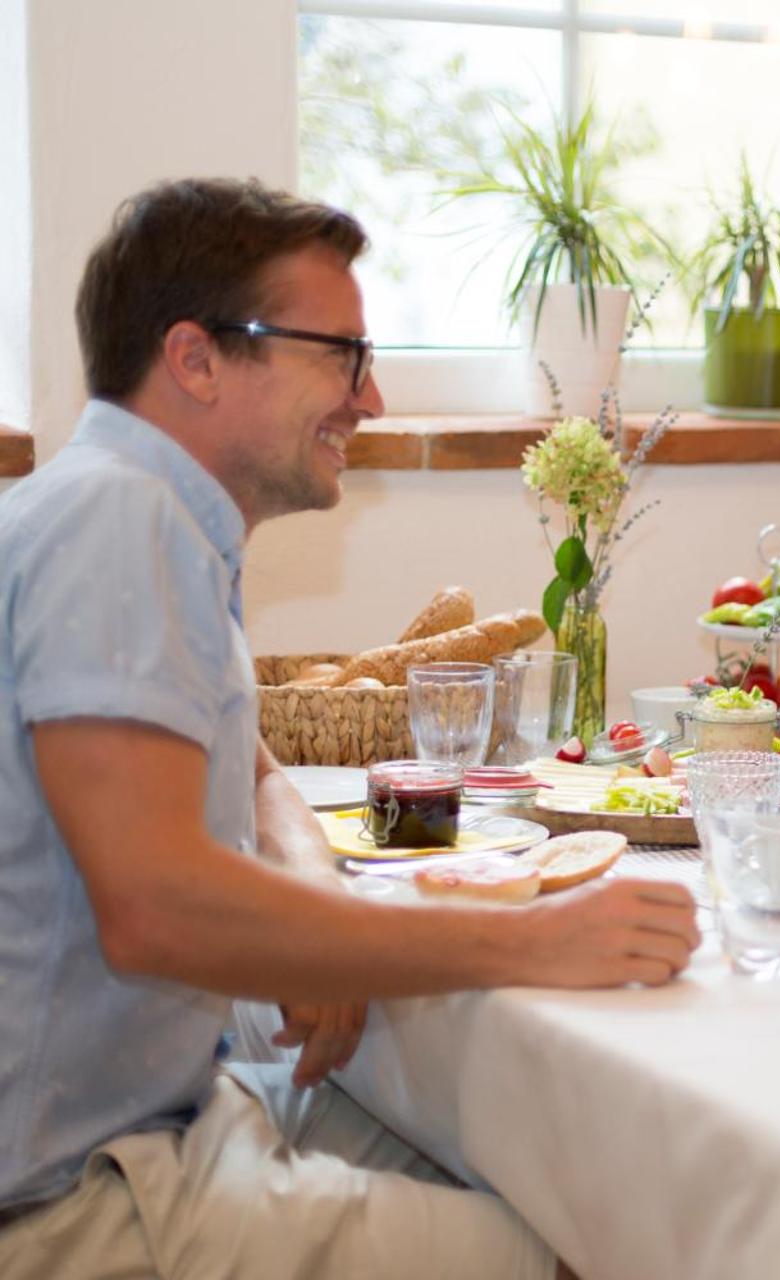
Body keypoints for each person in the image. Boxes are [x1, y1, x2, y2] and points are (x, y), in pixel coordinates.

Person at [0, 178, 699, 1279]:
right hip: (80, 1197)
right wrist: (536, 940)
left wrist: (308, 872)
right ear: (196, 358)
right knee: (596, 1248)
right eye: (341, 353)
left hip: (175, 1112)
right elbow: (154, 904)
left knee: (562, 1171)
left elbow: (251, 756)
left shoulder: (137, 512)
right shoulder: (119, 525)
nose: (370, 398)